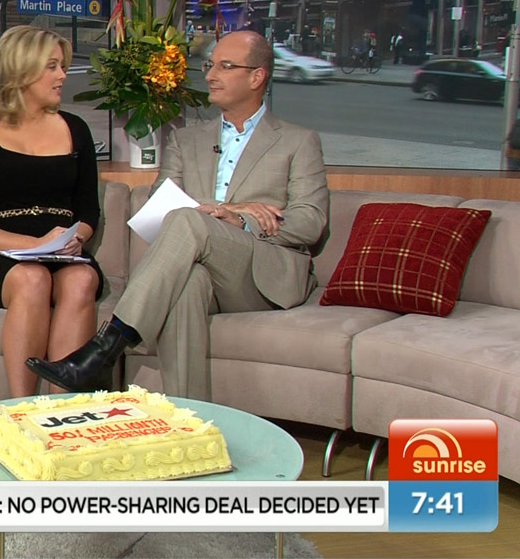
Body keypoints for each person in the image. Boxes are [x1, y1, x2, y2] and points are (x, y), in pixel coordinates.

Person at [26, 30, 330, 400]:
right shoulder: (186, 140)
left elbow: (310, 222)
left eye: (225, 66)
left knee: (188, 221)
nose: (211, 75)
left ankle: (106, 346)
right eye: (210, 65)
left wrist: (243, 221)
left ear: (256, 77)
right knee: (188, 284)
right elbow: (161, 208)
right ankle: (190, 415)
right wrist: (231, 209)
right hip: (203, 266)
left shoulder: (298, 141)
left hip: (262, 273)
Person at [0, 26, 103, 398]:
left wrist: (77, 238)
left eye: (62, 65)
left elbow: (88, 210)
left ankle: (63, 408)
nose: (62, 75)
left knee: (82, 279)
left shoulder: (76, 130)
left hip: (63, 253)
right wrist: (35, 244)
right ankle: (23, 409)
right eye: (52, 66)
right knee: (32, 278)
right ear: (20, 71)